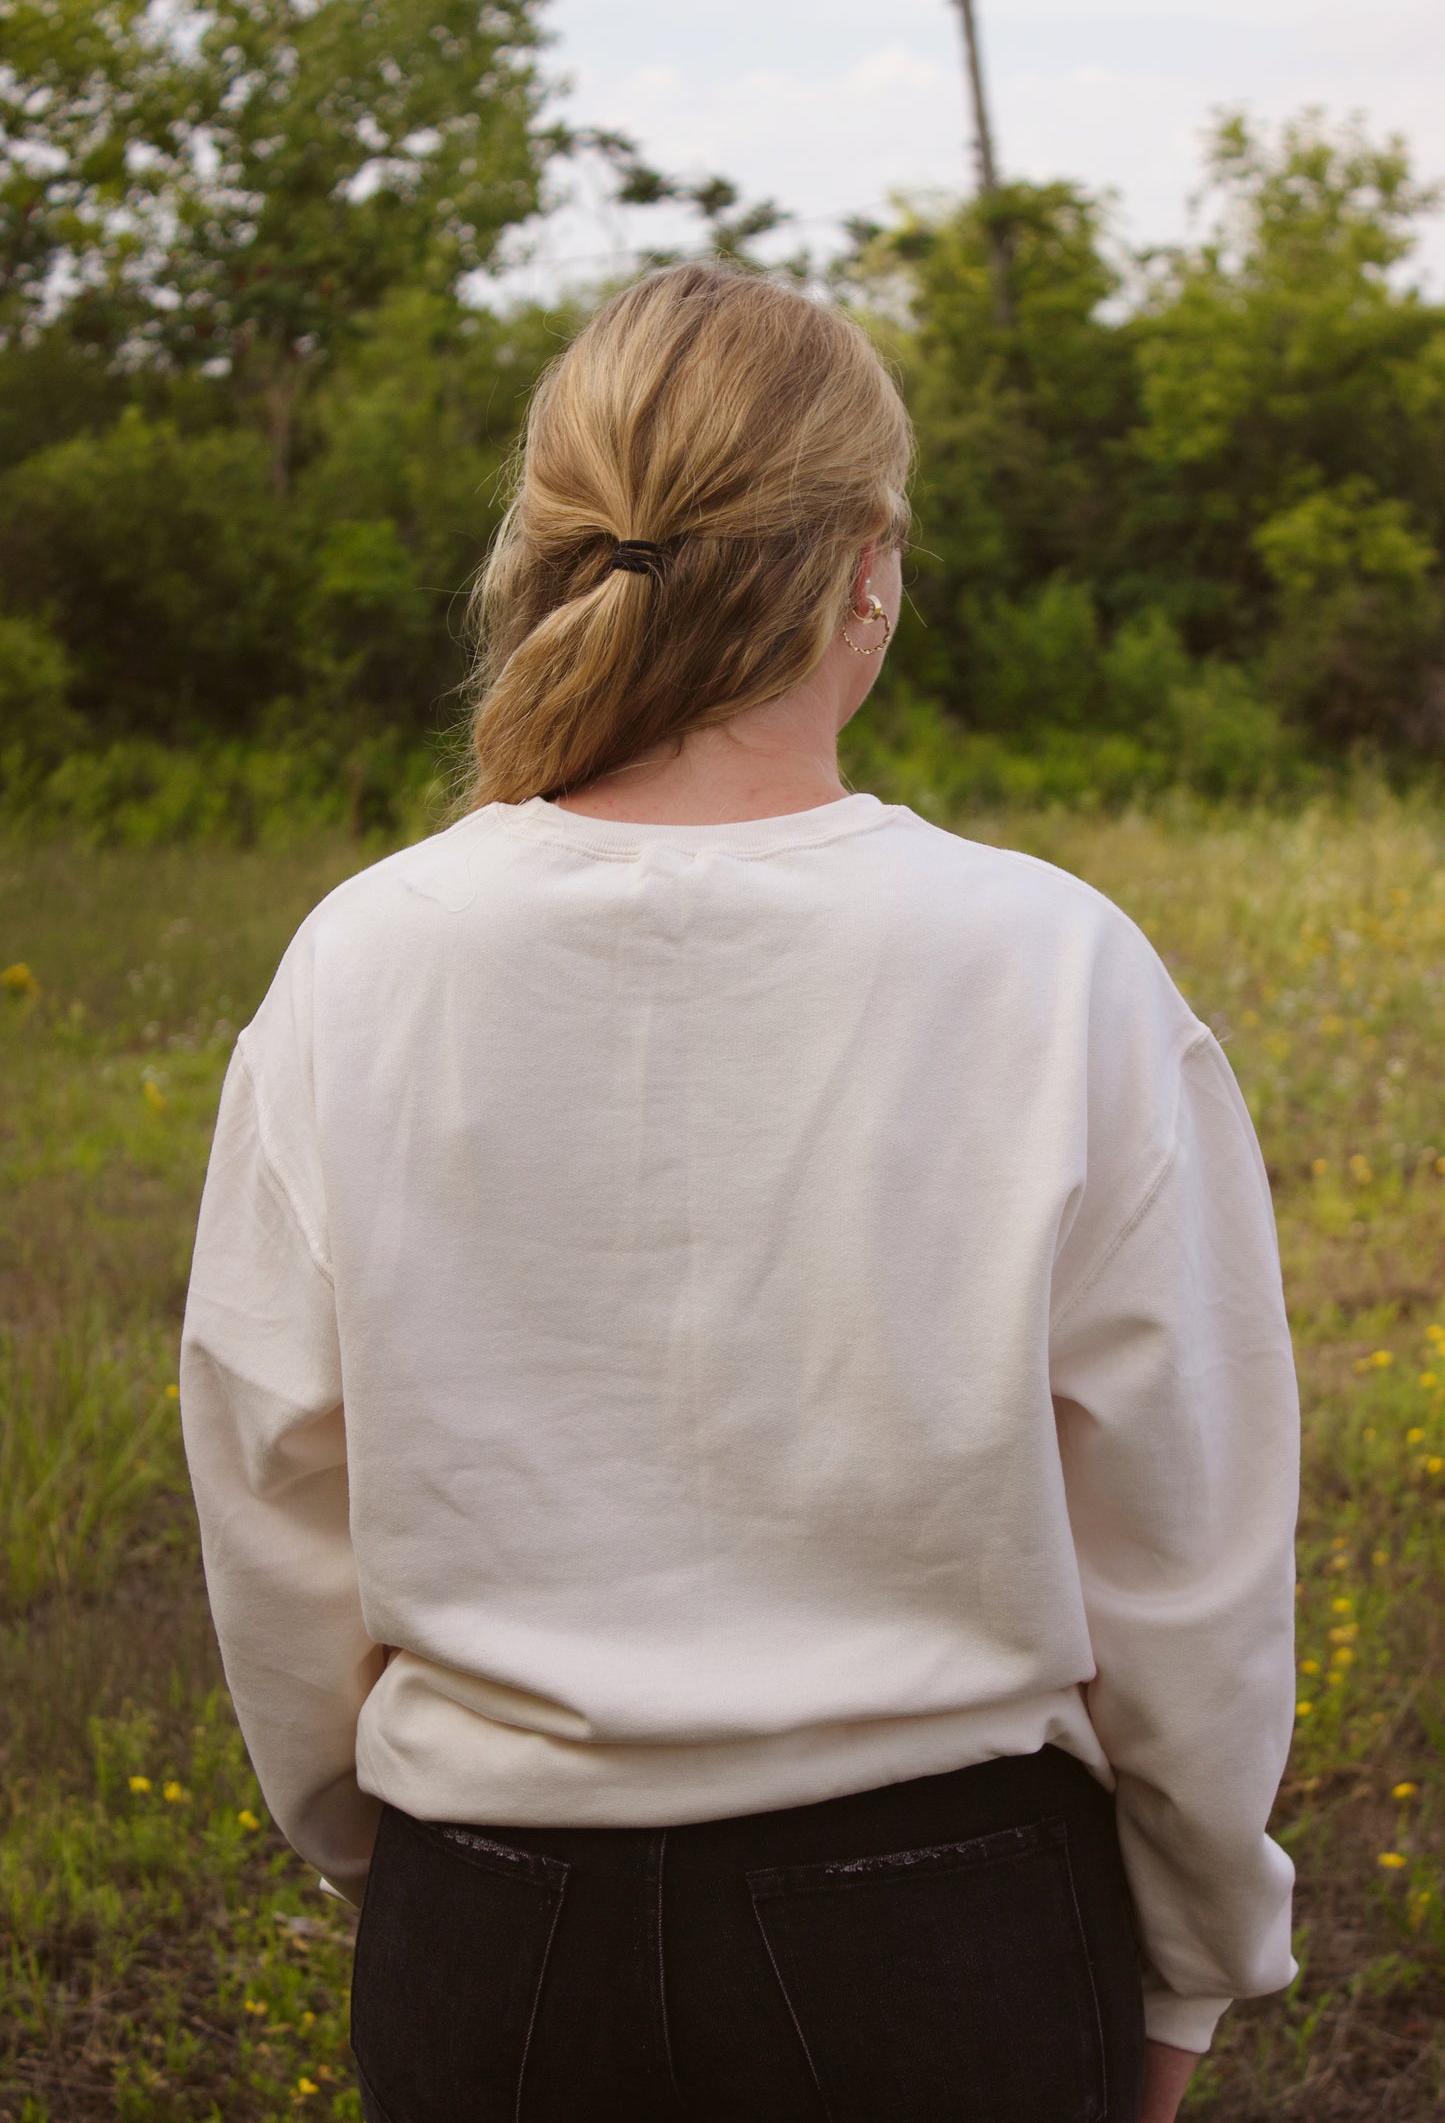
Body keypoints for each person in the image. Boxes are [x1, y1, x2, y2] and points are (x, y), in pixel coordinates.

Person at [179, 260, 1300, 2123]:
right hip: (946, 1942)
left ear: (552, 551)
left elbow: (272, 1481)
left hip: (490, 1934)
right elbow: (1183, 1535)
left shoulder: (361, 961)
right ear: (869, 560)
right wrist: (1192, 1950)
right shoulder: (1050, 964)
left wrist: (403, 1863)